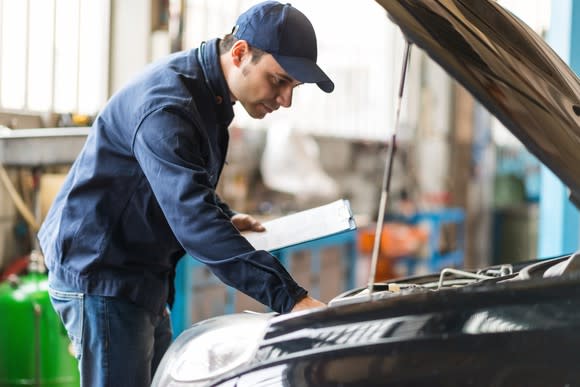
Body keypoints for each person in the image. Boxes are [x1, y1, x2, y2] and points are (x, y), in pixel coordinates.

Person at [38, 1, 334, 386]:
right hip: (102, 272)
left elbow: (179, 180)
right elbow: (192, 221)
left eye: (293, 87)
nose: (286, 100)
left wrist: (223, 215)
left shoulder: (208, 95)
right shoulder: (169, 105)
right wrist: (290, 299)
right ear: (240, 52)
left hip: (141, 273)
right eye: (279, 81)